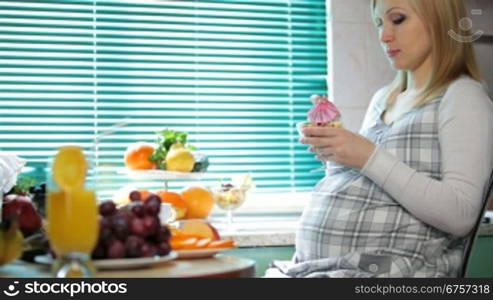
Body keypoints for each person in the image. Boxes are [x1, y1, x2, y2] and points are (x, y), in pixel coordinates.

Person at [266, 0, 493, 277]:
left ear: (439, 19)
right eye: (378, 24)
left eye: (397, 20)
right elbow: (370, 189)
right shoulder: (384, 98)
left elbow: (462, 215)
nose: (384, 36)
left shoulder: (463, 96)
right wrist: (336, 154)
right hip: (325, 267)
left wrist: (366, 155)